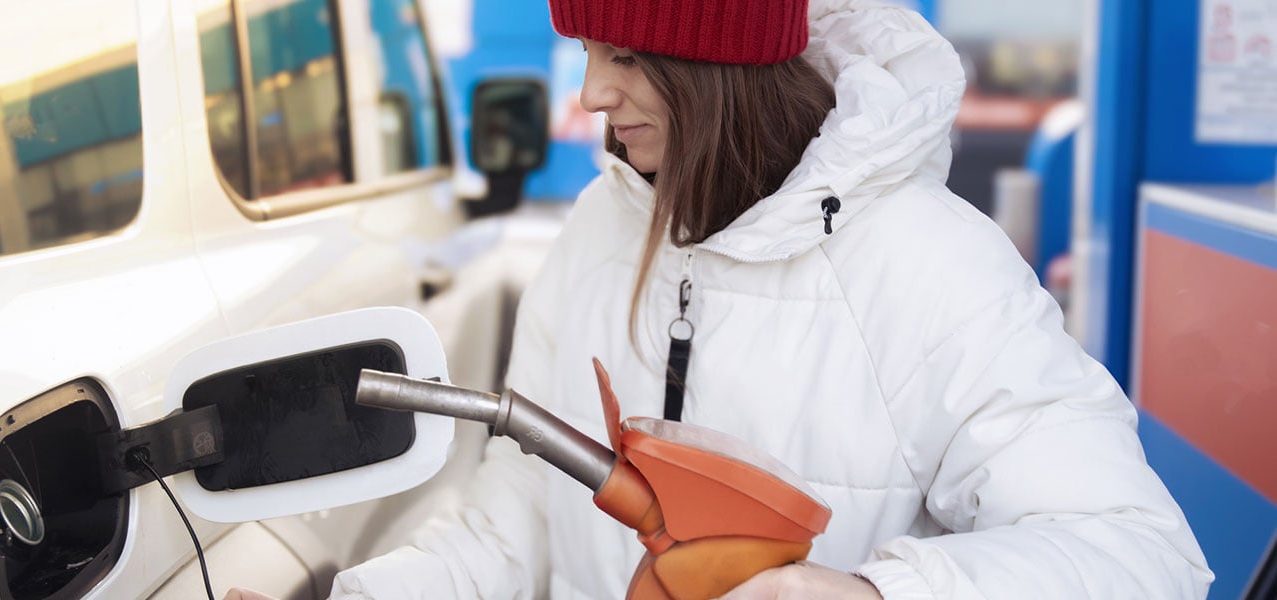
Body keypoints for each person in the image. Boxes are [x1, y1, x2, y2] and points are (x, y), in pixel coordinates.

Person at [332, 0, 1213, 597]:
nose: (593, 92)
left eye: (626, 55)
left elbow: (1141, 553)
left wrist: (875, 591)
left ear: (720, 63)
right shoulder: (601, 229)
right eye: (589, 52)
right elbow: (515, 522)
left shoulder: (932, 267)